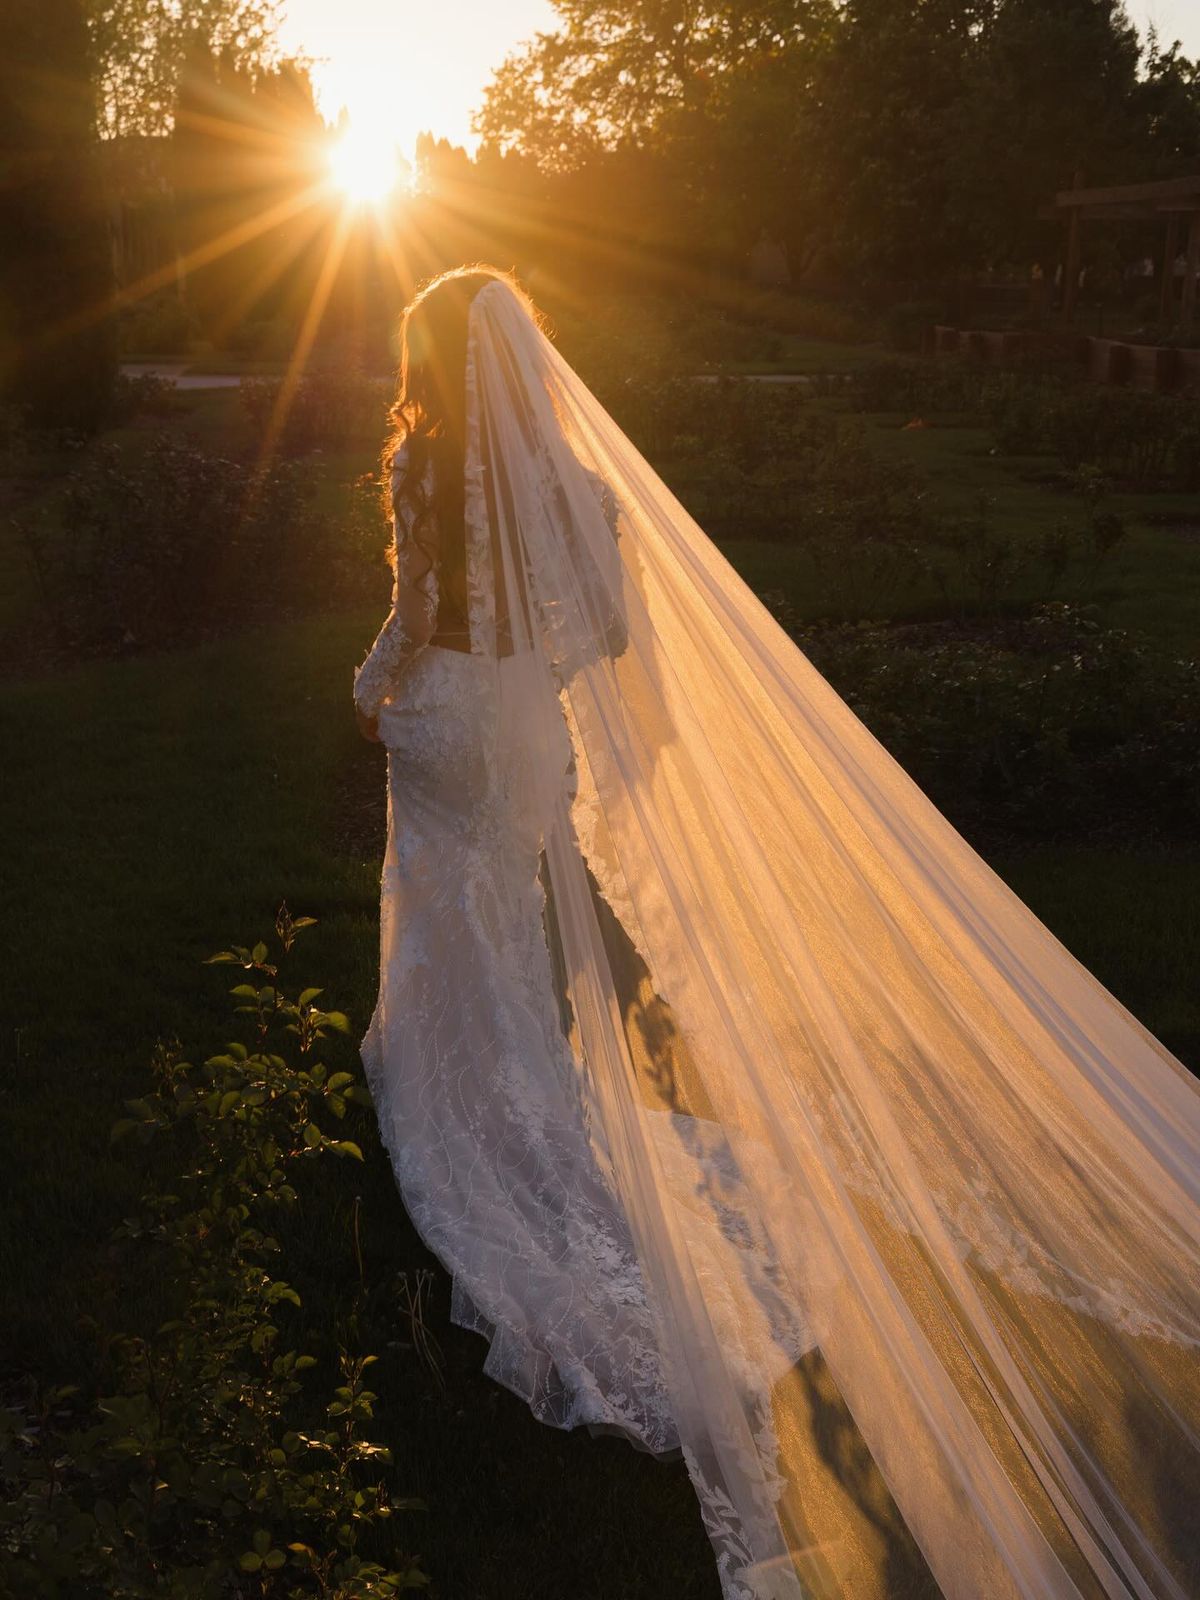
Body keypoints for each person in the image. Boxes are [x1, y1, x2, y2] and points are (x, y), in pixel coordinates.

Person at [354, 265, 1200, 1600]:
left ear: (438, 363)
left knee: (451, 925)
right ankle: (532, 1102)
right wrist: (535, 685)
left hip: (439, 726)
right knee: (515, 918)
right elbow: (609, 633)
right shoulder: (577, 489)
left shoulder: (419, 460)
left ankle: (462, 1095)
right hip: (521, 732)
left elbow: (407, 619)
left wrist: (377, 690)